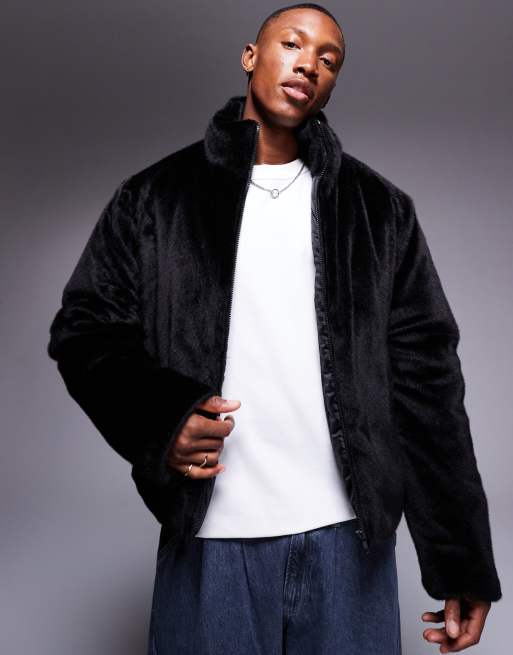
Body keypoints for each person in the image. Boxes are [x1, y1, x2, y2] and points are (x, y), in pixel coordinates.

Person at [47, 3, 502, 654]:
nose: (308, 64)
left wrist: (460, 560)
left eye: (328, 59)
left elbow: (428, 385)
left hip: (349, 541)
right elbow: (85, 329)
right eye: (292, 44)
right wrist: (161, 417)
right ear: (251, 56)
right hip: (210, 537)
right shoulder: (158, 198)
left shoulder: (378, 211)